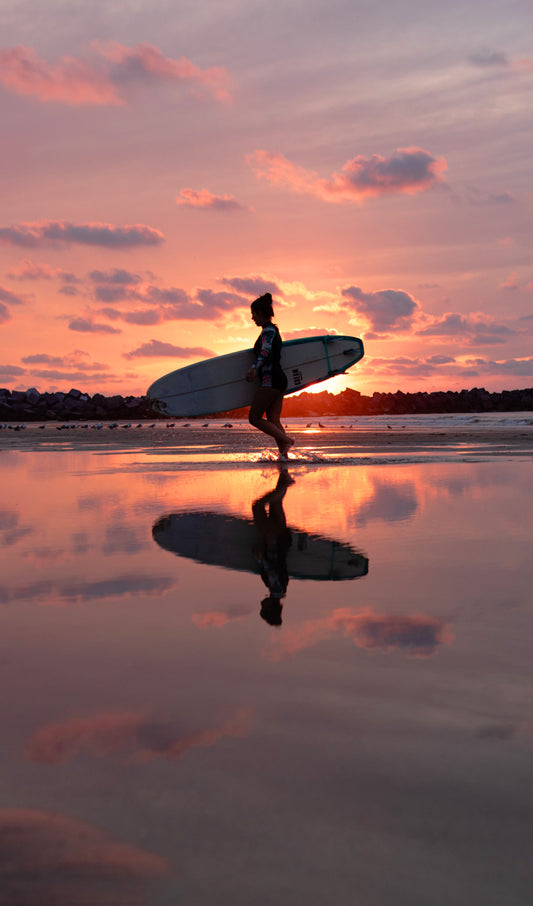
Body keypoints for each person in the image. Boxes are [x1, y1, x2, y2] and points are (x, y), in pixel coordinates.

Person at [246, 293, 294, 459]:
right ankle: (284, 455)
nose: (252, 318)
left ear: (260, 313)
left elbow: (265, 351)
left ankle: (286, 441)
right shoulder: (273, 330)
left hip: (270, 379)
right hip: (279, 380)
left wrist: (254, 368)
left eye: (254, 314)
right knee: (273, 419)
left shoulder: (268, 331)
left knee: (254, 417)